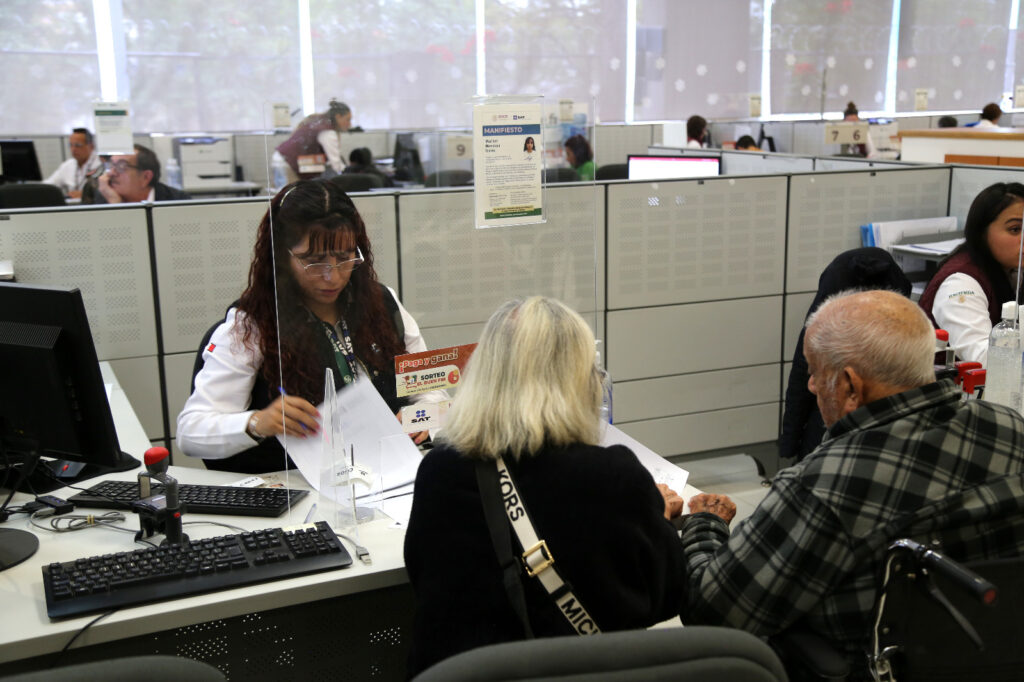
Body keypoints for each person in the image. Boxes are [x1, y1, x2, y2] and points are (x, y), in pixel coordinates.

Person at [681, 289, 1024, 675]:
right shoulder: (1011, 429)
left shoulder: (825, 484)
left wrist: (703, 524)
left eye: (814, 372)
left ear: (849, 386)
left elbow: (714, 615)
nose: (810, 386)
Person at [404, 296, 687, 676]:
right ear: (577, 381)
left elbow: (422, 578)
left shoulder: (439, 471)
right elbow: (668, 597)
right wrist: (661, 521)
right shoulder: (613, 477)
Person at [177, 180, 439, 473]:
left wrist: (420, 417)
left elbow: (431, 390)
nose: (333, 276)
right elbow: (190, 432)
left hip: (386, 475)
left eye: (344, 258)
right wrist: (257, 423)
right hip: (298, 489)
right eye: (313, 262)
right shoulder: (251, 325)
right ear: (281, 257)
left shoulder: (383, 303)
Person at [779, 247, 912, 463]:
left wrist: (789, 443)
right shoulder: (904, 333)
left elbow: (800, 378)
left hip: (825, 440)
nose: (813, 383)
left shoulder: (825, 330)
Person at [918, 182, 1024, 364]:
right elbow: (984, 358)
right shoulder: (960, 282)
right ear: (981, 233)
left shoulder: (1012, 268)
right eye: (1015, 229)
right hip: (952, 388)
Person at [274, 99, 352, 182]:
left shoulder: (319, 121)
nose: (350, 124)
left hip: (281, 159)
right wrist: (349, 177)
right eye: (348, 119)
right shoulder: (327, 131)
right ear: (338, 116)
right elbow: (335, 163)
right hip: (288, 163)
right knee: (294, 193)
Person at [91, 144, 191, 203]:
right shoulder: (105, 197)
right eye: (111, 165)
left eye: (121, 167)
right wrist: (115, 204)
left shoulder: (177, 201)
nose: (111, 173)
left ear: (146, 177)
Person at [44, 128, 102, 199]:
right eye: (71, 145)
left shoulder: (101, 165)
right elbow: (48, 185)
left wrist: (86, 194)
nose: (73, 149)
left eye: (78, 145)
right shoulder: (68, 165)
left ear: (91, 146)